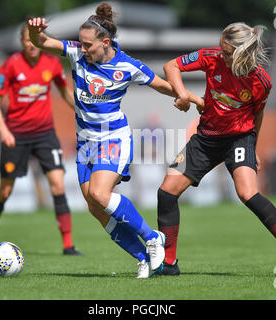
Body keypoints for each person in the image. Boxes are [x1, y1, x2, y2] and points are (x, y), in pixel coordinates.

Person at [27, 3, 203, 278]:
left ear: (105, 42)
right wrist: (33, 31)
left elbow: (162, 85)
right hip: (85, 143)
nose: (83, 49)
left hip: (114, 138)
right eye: (81, 44)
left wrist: (192, 98)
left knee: (100, 194)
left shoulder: (128, 66)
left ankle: (153, 237)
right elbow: (44, 42)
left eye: (88, 45)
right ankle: (143, 257)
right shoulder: (76, 52)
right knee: (95, 207)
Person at [157, 22, 276, 277]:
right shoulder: (212, 57)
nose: (222, 55)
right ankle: (169, 264)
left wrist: (254, 147)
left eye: (228, 52)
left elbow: (258, 112)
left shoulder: (261, 81)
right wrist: (184, 94)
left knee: (248, 194)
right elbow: (171, 66)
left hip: (239, 141)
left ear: (243, 53)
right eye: (222, 49)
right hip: (205, 140)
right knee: (166, 193)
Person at [0, 22, 83, 256]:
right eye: (26, 40)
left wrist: (79, 110)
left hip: (45, 134)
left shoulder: (52, 64)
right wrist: (4, 131)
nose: (31, 44)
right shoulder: (11, 65)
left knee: (57, 184)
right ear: (21, 42)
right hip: (16, 136)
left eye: (34, 39)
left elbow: (64, 91)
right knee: (5, 191)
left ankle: (68, 244)